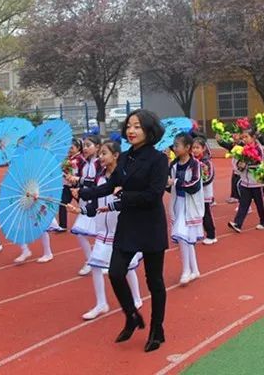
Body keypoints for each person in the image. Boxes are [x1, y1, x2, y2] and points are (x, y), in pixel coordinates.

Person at [77, 109, 169, 353]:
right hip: (128, 225)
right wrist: (85, 193)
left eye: (137, 126)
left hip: (150, 224)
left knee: (155, 281)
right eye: (129, 125)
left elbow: (154, 195)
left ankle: (157, 330)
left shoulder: (159, 160)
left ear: (149, 130)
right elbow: (110, 185)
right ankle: (131, 315)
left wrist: (124, 196)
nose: (131, 130)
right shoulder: (126, 158)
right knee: (116, 273)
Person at [69, 140, 143, 320]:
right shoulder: (100, 176)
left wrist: (117, 200)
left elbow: (132, 201)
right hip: (103, 230)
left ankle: (136, 297)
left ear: (116, 155)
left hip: (121, 228)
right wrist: (80, 209)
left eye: (104, 153)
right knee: (95, 264)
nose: (101, 157)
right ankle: (101, 303)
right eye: (100, 153)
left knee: (127, 266)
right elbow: (95, 200)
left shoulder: (125, 177)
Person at [168, 133, 204, 285]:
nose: (174, 148)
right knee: (186, 238)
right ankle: (194, 270)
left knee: (181, 234)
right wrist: (167, 183)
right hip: (178, 204)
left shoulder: (195, 164)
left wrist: (175, 182)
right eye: (174, 145)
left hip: (191, 205)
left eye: (177, 145)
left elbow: (194, 185)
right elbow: (171, 188)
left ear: (187, 148)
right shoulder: (173, 165)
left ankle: (186, 270)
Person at [66, 136, 103, 276]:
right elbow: (82, 181)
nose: (85, 148)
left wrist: (80, 180)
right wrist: (74, 184)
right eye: (84, 145)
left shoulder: (100, 163)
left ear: (98, 147)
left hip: (99, 203)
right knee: (80, 232)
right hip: (85, 202)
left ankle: (105, 260)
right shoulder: (83, 163)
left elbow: (98, 182)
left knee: (104, 234)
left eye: (89, 145)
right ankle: (90, 260)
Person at [228, 128, 264, 233]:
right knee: (243, 203)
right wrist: (240, 166)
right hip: (245, 182)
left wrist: (247, 165)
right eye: (243, 137)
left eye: (247, 137)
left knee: (260, 203)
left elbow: (262, 163)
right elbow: (238, 163)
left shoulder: (259, 149)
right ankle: (238, 223)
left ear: (253, 137)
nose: (244, 139)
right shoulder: (242, 149)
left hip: (256, 182)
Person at [192, 136, 217, 245]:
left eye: (197, 147)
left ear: (203, 149)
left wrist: (197, 183)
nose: (195, 150)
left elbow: (209, 177)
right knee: (193, 213)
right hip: (194, 192)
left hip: (204, 193)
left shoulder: (207, 162)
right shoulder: (191, 160)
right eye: (193, 148)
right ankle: (196, 234)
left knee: (206, 213)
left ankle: (211, 235)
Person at [59, 139, 86, 232]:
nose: (69, 150)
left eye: (72, 148)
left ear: (78, 148)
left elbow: (77, 169)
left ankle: (89, 222)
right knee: (62, 203)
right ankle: (63, 226)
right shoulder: (68, 158)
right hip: (67, 185)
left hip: (77, 186)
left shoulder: (80, 159)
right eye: (68, 148)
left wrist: (66, 165)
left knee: (83, 204)